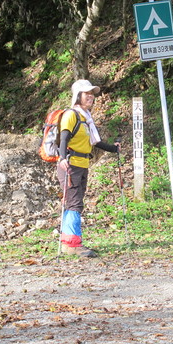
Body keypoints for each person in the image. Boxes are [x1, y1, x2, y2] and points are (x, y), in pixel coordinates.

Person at [57, 79, 120, 257]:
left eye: (92, 93)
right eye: (87, 93)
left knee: (73, 202)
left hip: (82, 165)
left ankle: (69, 241)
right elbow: (64, 137)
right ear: (78, 96)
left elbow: (96, 142)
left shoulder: (86, 118)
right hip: (71, 165)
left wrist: (113, 149)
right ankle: (72, 244)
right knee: (74, 203)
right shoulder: (72, 114)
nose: (91, 96)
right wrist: (62, 158)